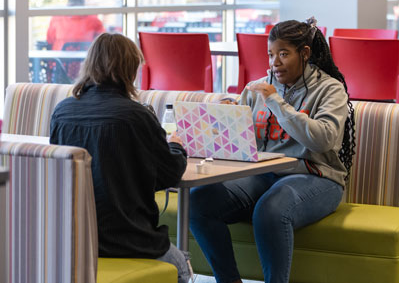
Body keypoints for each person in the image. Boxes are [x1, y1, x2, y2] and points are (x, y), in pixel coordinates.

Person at [189, 18, 356, 283]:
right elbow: (242, 143)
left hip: (318, 177)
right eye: (270, 54)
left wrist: (275, 102)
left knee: (271, 209)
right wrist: (226, 117)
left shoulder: (330, 89)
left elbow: (323, 140)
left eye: (283, 54)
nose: (274, 62)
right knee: (198, 200)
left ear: (305, 53)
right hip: (264, 175)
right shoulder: (256, 89)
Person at [49, 33, 191, 283]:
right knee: (182, 270)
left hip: (74, 240)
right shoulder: (136, 116)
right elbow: (169, 175)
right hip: (129, 238)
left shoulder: (62, 111)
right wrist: (177, 147)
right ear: (131, 69)